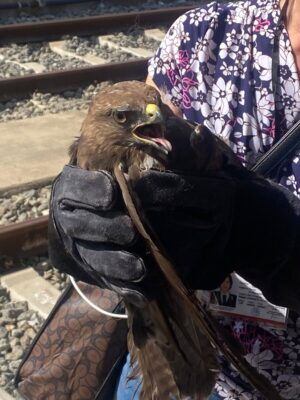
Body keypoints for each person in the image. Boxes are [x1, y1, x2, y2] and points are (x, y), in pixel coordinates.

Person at [49, 0, 300, 398]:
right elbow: (140, 125)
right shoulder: (204, 36)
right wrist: (79, 230)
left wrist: (274, 235)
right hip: (180, 342)